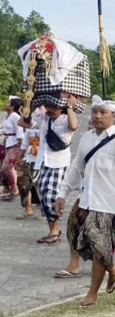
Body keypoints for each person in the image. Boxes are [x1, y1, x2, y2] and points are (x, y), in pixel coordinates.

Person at [55, 95, 115, 307]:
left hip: (108, 205)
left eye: (103, 113)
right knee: (75, 237)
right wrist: (62, 193)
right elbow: (76, 167)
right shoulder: (87, 137)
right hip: (85, 200)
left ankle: (92, 293)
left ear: (113, 115)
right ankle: (114, 268)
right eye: (95, 112)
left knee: (98, 246)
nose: (98, 116)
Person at [18, 97, 78, 244]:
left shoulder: (65, 119)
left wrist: (69, 107)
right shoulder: (44, 119)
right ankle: (52, 229)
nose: (49, 109)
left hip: (58, 162)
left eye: (53, 106)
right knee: (43, 195)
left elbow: (74, 126)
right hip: (42, 161)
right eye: (48, 106)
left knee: (51, 194)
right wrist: (29, 106)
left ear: (61, 107)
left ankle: (56, 228)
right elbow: (22, 122)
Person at [0, 96, 24, 201]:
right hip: (7, 143)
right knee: (4, 168)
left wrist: (21, 145)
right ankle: (8, 189)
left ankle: (15, 190)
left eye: (8, 102)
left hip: (15, 144)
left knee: (7, 167)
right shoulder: (7, 116)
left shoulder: (15, 116)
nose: (6, 104)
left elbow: (19, 130)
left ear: (13, 106)